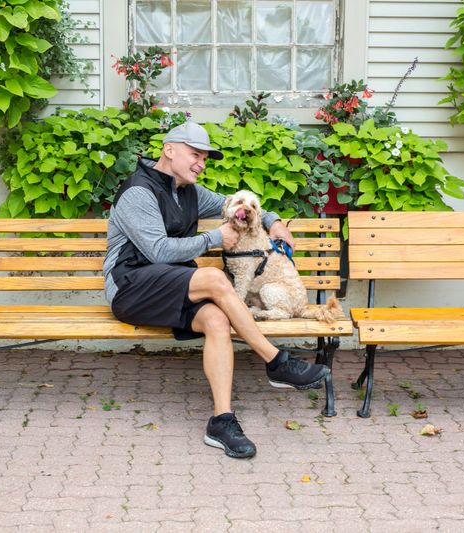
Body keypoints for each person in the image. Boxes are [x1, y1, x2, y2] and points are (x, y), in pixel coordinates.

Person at [103, 121, 330, 459]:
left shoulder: (190, 192)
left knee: (217, 321)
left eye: (205, 158)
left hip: (172, 285)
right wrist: (213, 238)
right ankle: (275, 360)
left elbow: (238, 204)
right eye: (195, 154)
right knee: (214, 278)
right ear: (170, 149)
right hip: (131, 285)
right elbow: (157, 252)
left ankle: (221, 421)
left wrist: (274, 222)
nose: (201, 163)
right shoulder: (139, 191)